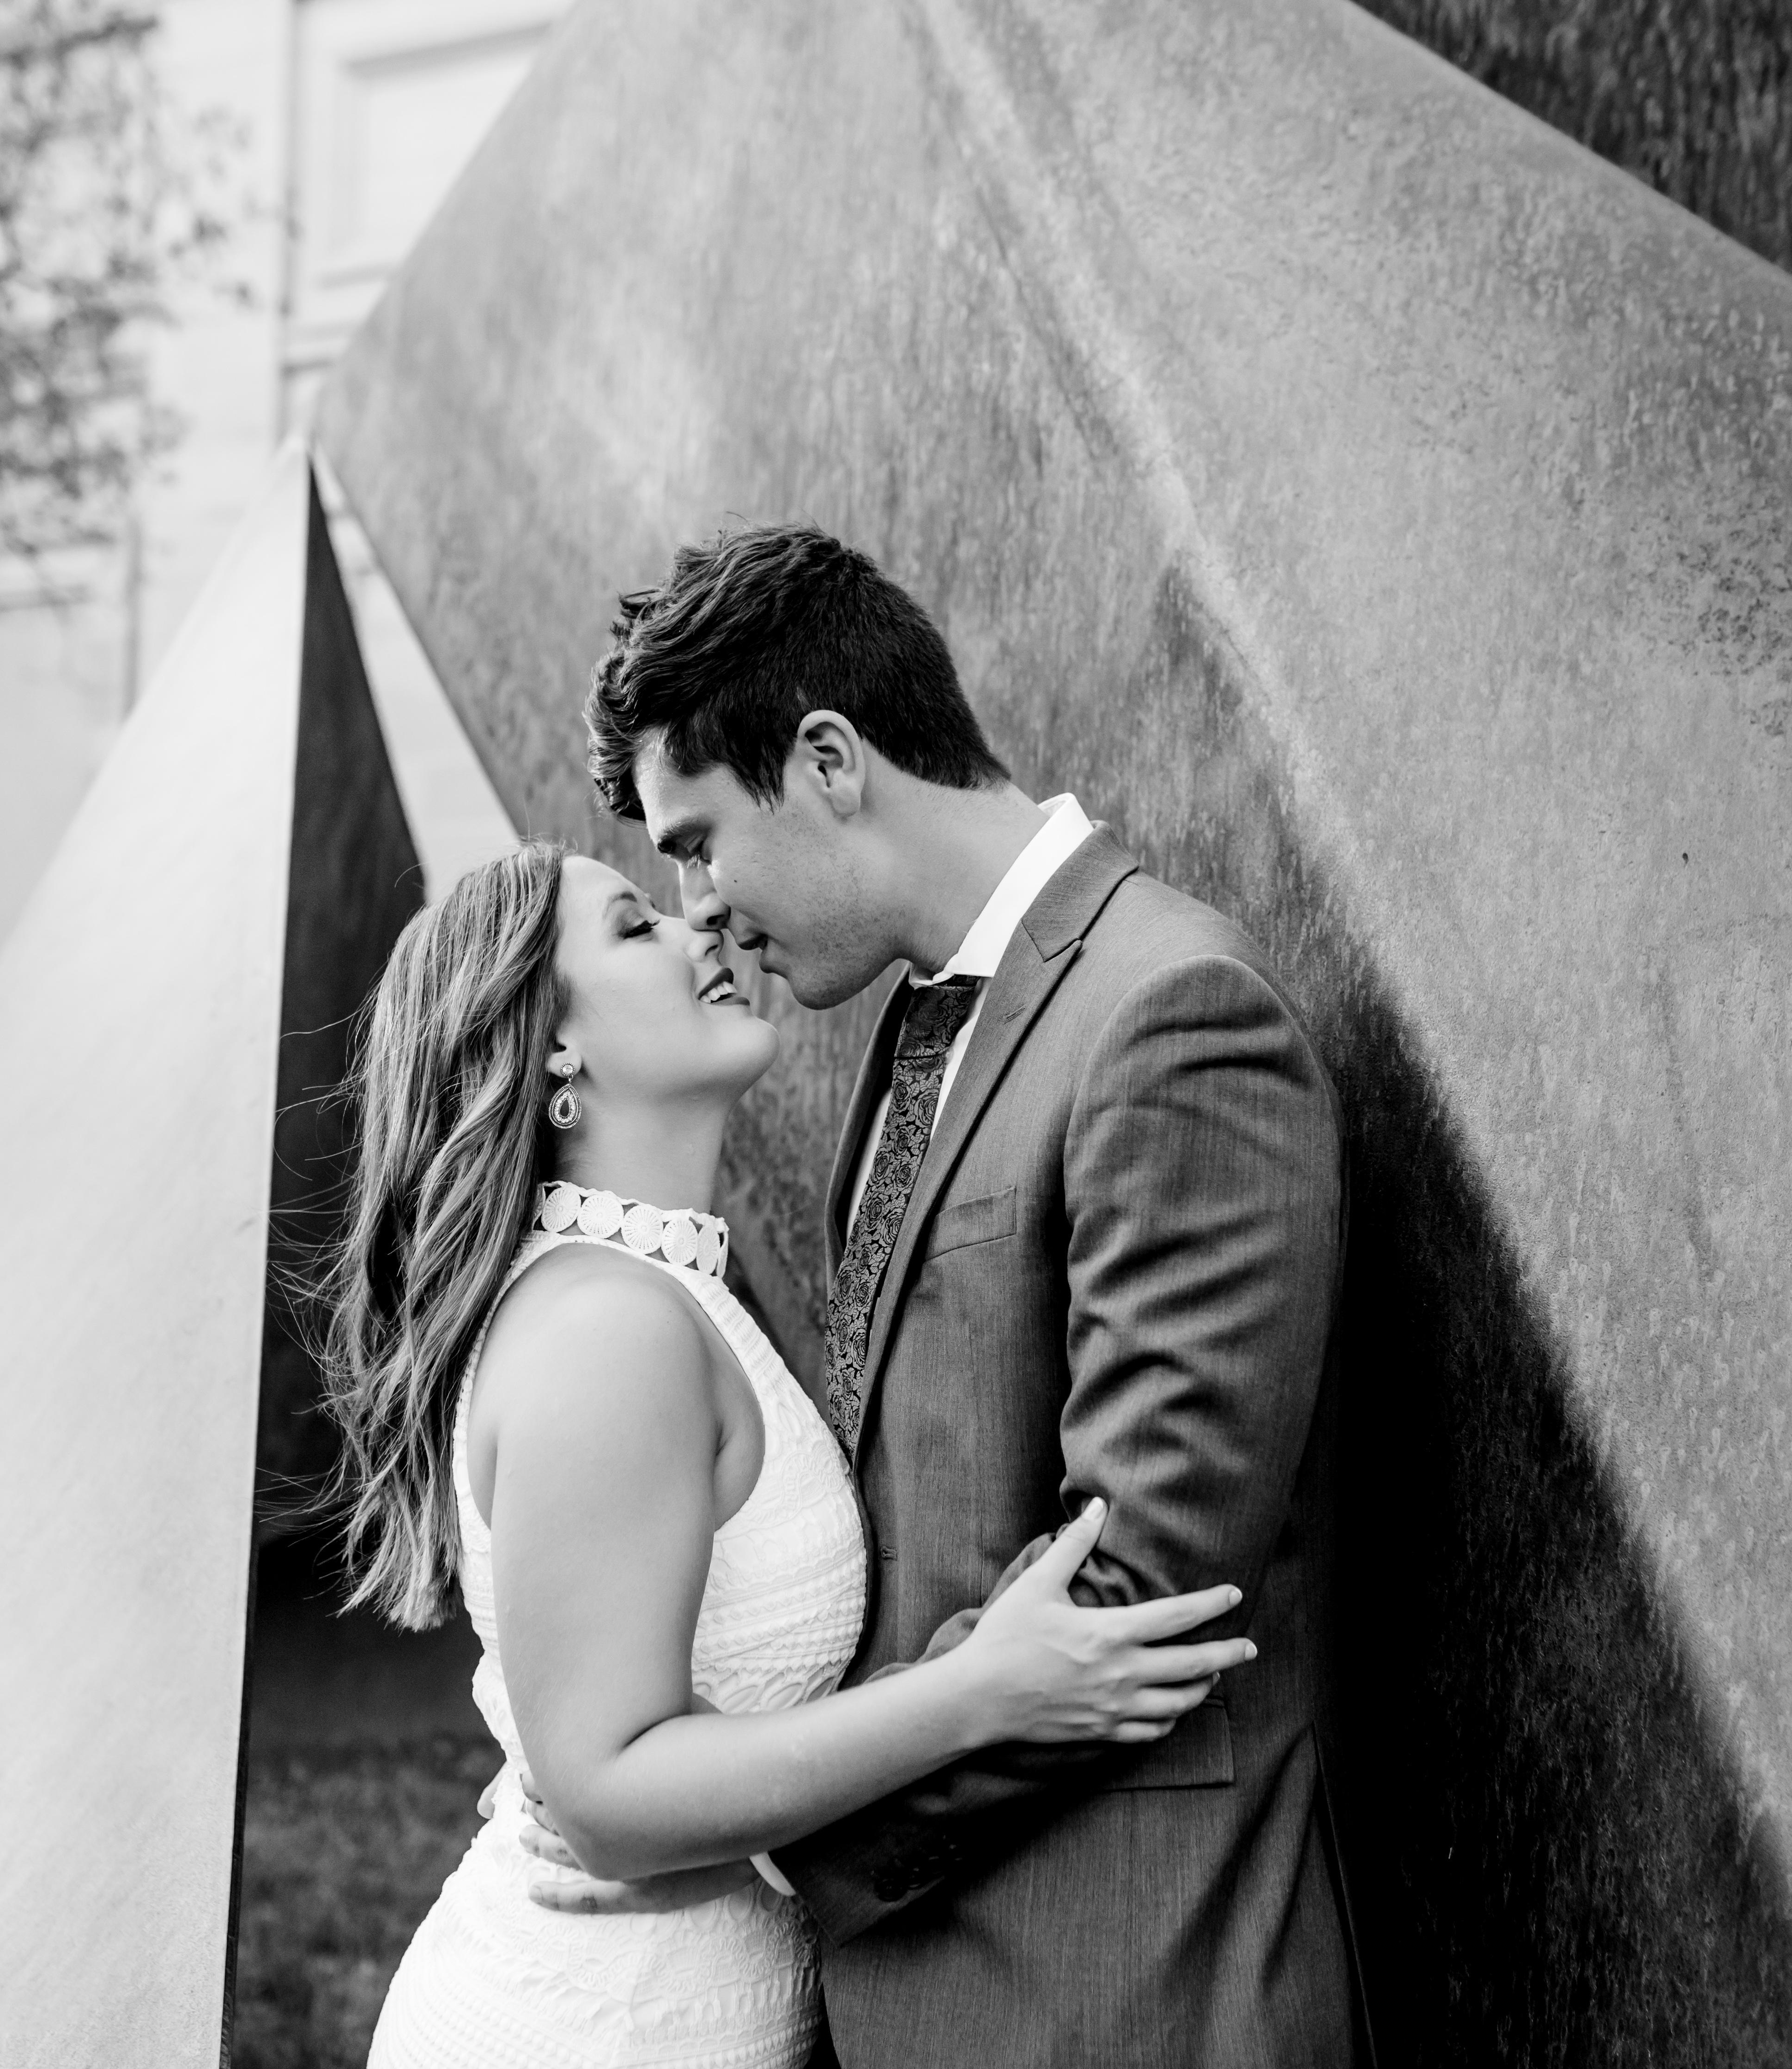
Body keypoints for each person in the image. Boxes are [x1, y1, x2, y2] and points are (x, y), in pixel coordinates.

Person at [549, 524, 1364, 2067]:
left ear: (830, 760)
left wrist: (754, 1843)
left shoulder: (1172, 1015)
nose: (700, 904)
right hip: (936, 1991)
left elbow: (1136, 1586)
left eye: (701, 841)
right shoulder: (915, 1022)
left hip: (1128, 1991)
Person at [326, 837, 1258, 2069]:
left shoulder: (660, 1293)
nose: (698, 928)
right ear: (554, 1047)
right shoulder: (606, 1329)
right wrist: (979, 1693)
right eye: (635, 927)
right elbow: (611, 1800)